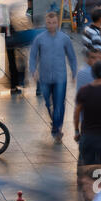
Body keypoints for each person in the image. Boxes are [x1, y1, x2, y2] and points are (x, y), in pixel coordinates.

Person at [29, 12, 77, 143]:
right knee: (48, 103)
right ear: (46, 23)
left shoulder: (64, 38)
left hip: (60, 77)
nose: (51, 25)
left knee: (59, 104)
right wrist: (33, 71)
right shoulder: (39, 39)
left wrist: (74, 72)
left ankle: (57, 129)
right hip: (44, 78)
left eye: (54, 22)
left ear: (58, 23)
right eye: (49, 23)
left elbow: (72, 56)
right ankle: (56, 125)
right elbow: (33, 56)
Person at [73, 61, 101, 175]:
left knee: (86, 170)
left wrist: (77, 131)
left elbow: (77, 113)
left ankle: (87, 190)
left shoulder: (83, 91)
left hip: (87, 138)